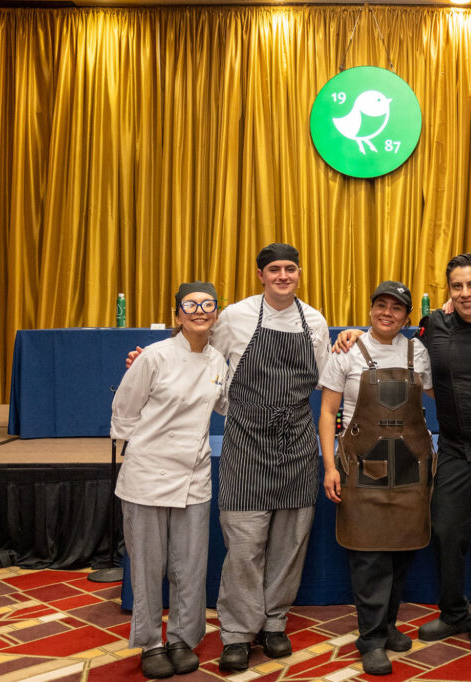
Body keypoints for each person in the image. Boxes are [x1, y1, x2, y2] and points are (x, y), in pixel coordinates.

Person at [126, 243, 330, 674]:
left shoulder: (314, 321)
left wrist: (348, 338)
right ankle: (237, 632)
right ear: (260, 275)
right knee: (244, 546)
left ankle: (274, 622)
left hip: (296, 443)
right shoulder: (235, 316)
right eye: (273, 269)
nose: (282, 276)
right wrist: (145, 356)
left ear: (299, 273)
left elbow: (324, 377)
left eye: (290, 269)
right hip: (246, 444)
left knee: (289, 544)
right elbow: (194, 349)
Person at [336, 252, 471, 655]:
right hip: (454, 448)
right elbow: (386, 340)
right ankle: (454, 611)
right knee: (445, 531)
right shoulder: (434, 326)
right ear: (448, 291)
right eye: (457, 286)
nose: (465, 293)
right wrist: (353, 332)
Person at [111, 282, 229, 679]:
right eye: (191, 305)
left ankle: (182, 637)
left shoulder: (218, 361)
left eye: (207, 305)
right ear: (178, 313)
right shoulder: (154, 357)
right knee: (147, 566)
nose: (200, 311)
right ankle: (149, 642)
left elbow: (228, 404)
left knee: (190, 565)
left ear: (216, 313)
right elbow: (124, 411)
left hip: (194, 477)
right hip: (147, 475)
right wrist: (144, 450)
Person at [318, 280, 435, 676]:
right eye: (381, 305)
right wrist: (330, 466)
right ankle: (370, 637)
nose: (388, 313)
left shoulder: (418, 352)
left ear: (406, 316)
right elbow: (327, 411)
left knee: (401, 550)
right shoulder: (347, 351)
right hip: (361, 468)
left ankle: (387, 626)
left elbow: (439, 394)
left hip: (409, 468)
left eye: (397, 308)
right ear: (371, 310)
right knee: (368, 557)